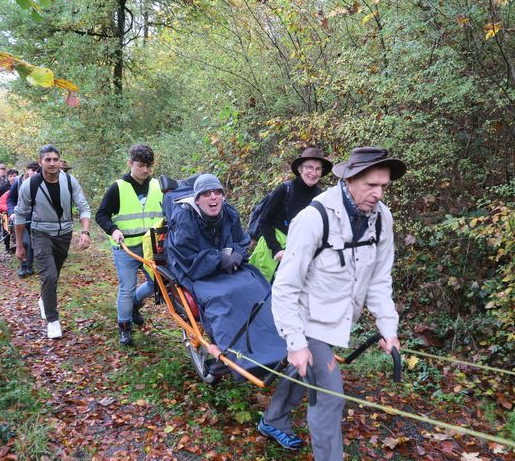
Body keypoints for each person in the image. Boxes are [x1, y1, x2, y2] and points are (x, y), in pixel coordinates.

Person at [259, 147, 406, 459]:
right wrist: (296, 342)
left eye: (384, 186)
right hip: (306, 318)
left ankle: (272, 418)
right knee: (330, 395)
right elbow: (285, 287)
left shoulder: (382, 219)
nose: (379, 194)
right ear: (350, 180)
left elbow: (380, 280)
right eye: (371, 185)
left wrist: (387, 327)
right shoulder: (314, 218)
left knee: (306, 374)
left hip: (338, 318)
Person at [167, 174, 286, 372]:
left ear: (223, 196)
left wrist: (239, 254)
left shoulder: (229, 212)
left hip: (231, 269)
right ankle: (231, 353)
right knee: (223, 297)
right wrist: (219, 259)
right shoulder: (184, 218)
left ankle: (278, 346)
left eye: (217, 192)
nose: (213, 197)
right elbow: (184, 254)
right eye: (206, 194)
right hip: (200, 273)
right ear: (197, 199)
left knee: (258, 288)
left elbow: (241, 239)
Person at [14, 145, 91, 339]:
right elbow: (20, 215)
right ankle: (52, 320)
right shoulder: (29, 185)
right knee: (49, 277)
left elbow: (83, 206)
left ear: (60, 161)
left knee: (53, 274)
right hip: (40, 234)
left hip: (64, 235)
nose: (52, 163)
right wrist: (19, 245)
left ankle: (44, 299)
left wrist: (85, 231)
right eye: (47, 160)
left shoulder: (70, 181)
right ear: (40, 162)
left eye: (55, 159)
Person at [96, 144, 165, 346]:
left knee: (157, 284)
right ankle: (124, 327)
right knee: (127, 288)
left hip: (151, 248)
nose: (145, 170)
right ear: (130, 163)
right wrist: (113, 229)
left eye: (149, 166)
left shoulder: (157, 186)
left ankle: (134, 305)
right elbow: (101, 214)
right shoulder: (118, 188)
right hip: (125, 247)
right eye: (141, 165)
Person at [249, 147, 333, 282]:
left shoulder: (321, 197)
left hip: (298, 254)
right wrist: (276, 249)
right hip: (271, 253)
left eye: (318, 169)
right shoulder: (285, 189)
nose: (313, 173)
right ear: (300, 169)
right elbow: (265, 221)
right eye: (309, 168)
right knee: (262, 294)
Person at [8, 161, 39, 277]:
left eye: (37, 170)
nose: (35, 173)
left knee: (32, 243)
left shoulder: (42, 183)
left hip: (35, 218)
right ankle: (23, 265)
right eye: (33, 170)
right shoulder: (18, 182)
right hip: (21, 218)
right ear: (28, 170)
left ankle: (29, 265)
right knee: (24, 242)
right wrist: (12, 213)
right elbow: (10, 200)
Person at [0, 169, 19, 253]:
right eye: (11, 176)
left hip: (18, 212)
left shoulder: (22, 185)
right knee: (6, 228)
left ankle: (17, 245)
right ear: (7, 177)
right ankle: (7, 246)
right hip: (6, 212)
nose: (13, 178)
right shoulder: (3, 187)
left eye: (14, 176)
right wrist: (9, 209)